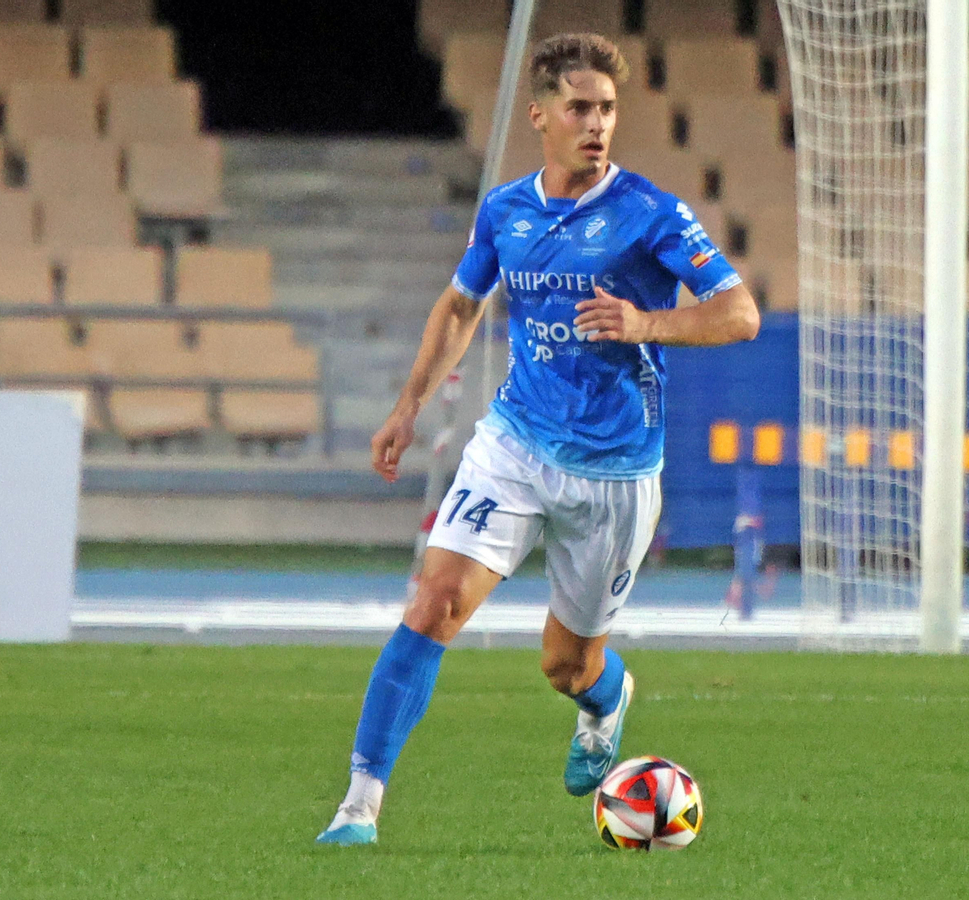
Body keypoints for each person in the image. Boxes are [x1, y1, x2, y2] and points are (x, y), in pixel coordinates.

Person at [316, 32, 761, 845]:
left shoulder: (650, 214)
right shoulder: (505, 210)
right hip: (515, 445)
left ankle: (606, 698)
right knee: (434, 603)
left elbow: (740, 313)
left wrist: (645, 323)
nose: (597, 124)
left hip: (615, 472)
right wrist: (408, 405)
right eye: (580, 108)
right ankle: (358, 807)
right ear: (540, 116)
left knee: (566, 665)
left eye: (608, 109)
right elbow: (462, 305)